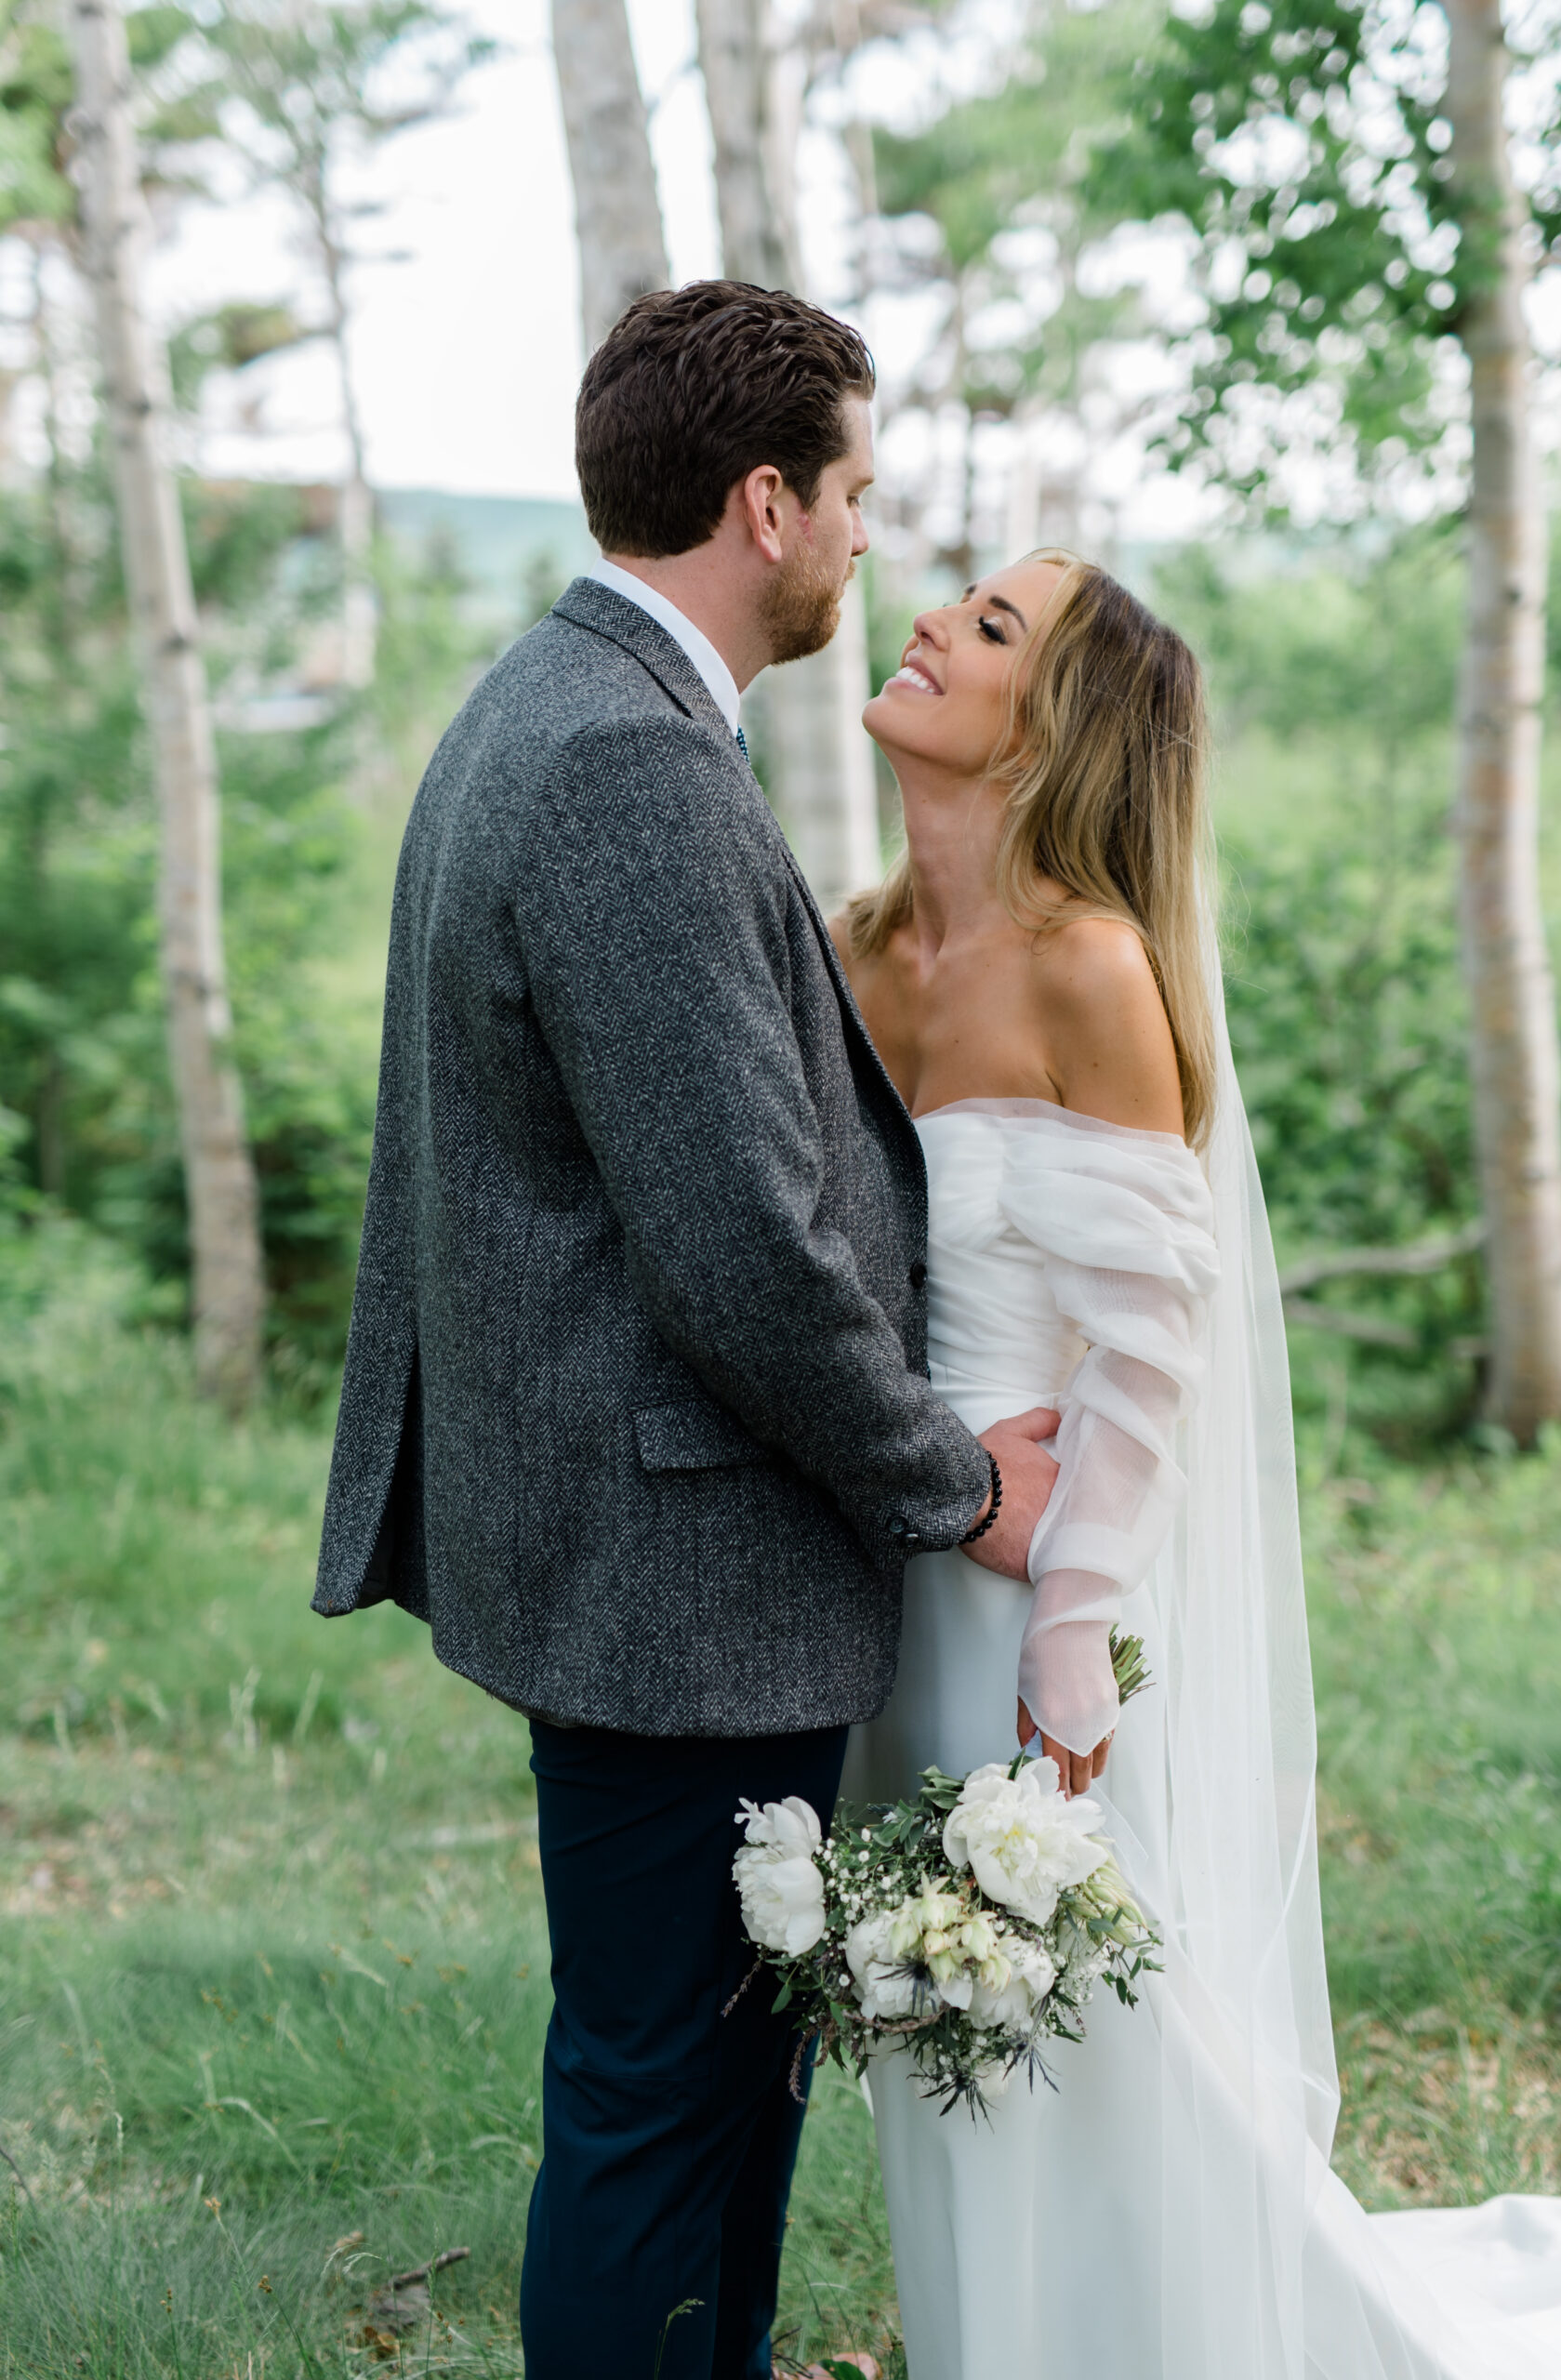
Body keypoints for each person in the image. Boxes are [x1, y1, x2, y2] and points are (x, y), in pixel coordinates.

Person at [836, 550, 1561, 2379]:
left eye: (996, 624)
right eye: (960, 592)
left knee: (1110, 2026)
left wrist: (1073, 1642)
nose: (940, 618)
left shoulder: (1089, 971)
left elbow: (1149, 1353)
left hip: (1046, 1586)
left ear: (1050, 730)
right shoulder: (860, 944)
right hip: (892, 1561)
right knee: (944, 2019)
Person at [310, 283, 1063, 2380]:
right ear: (764, 503)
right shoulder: (629, 770)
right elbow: (738, 1238)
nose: (863, 540)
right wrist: (952, 1482)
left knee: (715, 2094)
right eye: (855, 494)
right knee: (660, 2105)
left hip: (647, 1557)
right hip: (682, 1578)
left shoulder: (539, 708)